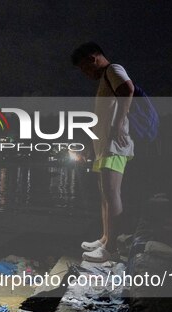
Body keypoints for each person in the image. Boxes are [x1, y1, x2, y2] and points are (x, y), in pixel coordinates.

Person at [71, 42, 135, 263]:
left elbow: (128, 89)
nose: (85, 73)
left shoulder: (113, 70)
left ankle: (112, 248)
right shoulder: (106, 78)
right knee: (105, 196)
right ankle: (106, 238)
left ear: (93, 59)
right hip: (103, 147)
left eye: (84, 68)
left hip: (114, 145)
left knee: (111, 193)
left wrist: (118, 124)